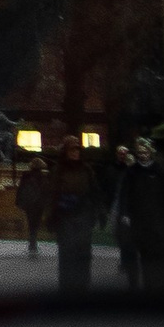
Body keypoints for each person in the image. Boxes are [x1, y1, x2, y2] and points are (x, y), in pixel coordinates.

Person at [113, 138, 164, 292]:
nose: (143, 155)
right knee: (133, 254)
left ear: (150, 153)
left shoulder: (159, 172)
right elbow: (125, 195)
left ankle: (150, 285)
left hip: (154, 221)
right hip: (136, 221)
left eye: (145, 152)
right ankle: (134, 284)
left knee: (151, 256)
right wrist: (125, 214)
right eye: (140, 152)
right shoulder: (132, 172)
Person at [45, 127, 96, 300]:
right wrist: (52, 216)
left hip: (83, 217)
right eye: (72, 150)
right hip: (65, 218)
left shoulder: (86, 170)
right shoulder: (58, 171)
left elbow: (94, 192)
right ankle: (66, 292)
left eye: (77, 150)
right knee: (67, 257)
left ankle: (83, 290)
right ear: (66, 152)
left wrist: (96, 211)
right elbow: (52, 194)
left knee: (83, 255)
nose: (75, 153)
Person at [15, 151, 52, 254]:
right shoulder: (43, 177)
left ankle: (32, 242)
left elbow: (21, 189)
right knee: (36, 223)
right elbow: (47, 191)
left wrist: (18, 201)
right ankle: (33, 242)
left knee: (31, 222)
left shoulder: (26, 175)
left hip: (29, 203)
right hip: (39, 204)